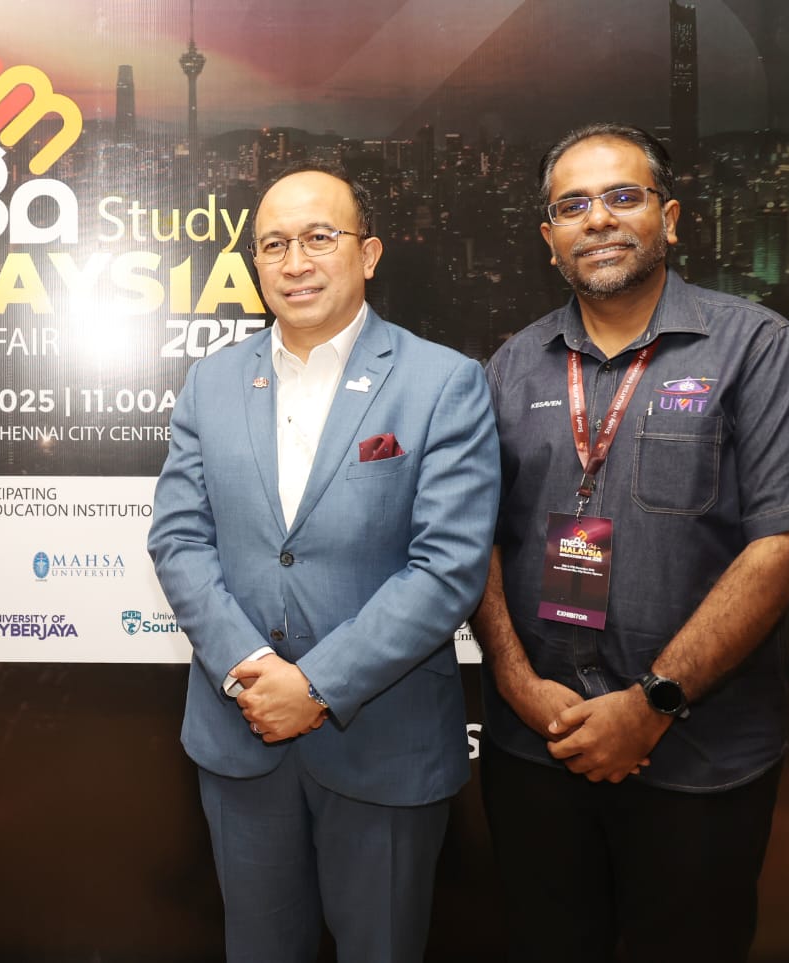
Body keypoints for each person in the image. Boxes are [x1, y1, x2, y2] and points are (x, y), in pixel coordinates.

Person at [475, 123, 789, 962]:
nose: (598, 219)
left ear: (671, 218)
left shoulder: (755, 346)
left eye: (623, 196)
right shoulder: (511, 367)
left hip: (699, 758)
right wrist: (515, 683)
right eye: (573, 206)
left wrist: (651, 704)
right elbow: (475, 539)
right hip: (537, 750)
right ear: (549, 238)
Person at [148, 163, 499, 963]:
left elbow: (447, 566)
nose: (295, 262)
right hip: (242, 740)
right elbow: (178, 539)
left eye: (318, 238)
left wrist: (315, 686)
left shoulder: (443, 382)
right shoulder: (212, 381)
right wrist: (251, 668)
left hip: (385, 744)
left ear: (368, 253)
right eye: (274, 244)